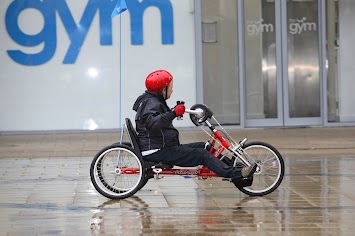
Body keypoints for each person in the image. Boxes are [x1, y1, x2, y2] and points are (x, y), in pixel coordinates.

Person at [132, 69, 257, 186]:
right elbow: (152, 124)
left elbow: (158, 120)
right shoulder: (151, 103)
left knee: (204, 146)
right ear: (162, 89)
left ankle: (237, 170)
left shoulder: (152, 101)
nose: (172, 90)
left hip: (162, 146)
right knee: (202, 155)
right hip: (156, 151)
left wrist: (174, 112)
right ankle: (237, 174)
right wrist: (173, 113)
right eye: (170, 87)